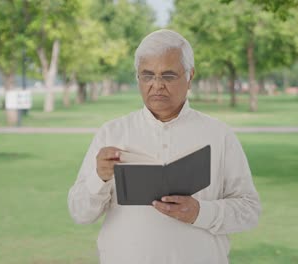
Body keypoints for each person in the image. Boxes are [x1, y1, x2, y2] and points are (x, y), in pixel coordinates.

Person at [68, 29, 261, 264]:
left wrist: (200, 212)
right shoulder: (112, 133)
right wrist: (99, 177)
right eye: (147, 76)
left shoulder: (219, 135)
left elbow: (249, 210)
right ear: (137, 77)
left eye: (168, 76)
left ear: (190, 76)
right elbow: (80, 213)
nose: (157, 85)